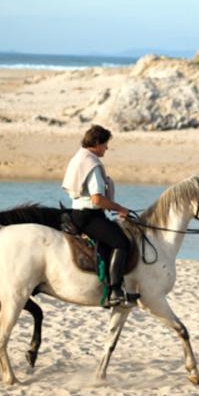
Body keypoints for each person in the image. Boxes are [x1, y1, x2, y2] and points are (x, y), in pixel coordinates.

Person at [62, 125, 135, 308]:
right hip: (89, 216)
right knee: (122, 242)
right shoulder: (92, 164)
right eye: (105, 144)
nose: (106, 148)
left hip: (77, 213)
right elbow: (97, 199)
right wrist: (120, 208)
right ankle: (115, 290)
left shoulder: (79, 157)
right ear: (96, 143)